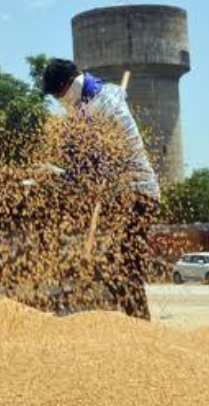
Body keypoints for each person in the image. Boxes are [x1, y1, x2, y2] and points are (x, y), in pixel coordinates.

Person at [42, 58, 159, 320]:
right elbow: (118, 91)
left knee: (125, 267)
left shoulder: (93, 110)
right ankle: (132, 321)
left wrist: (60, 173)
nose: (60, 100)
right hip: (123, 194)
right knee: (116, 265)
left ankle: (140, 327)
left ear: (68, 84)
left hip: (137, 193)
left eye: (59, 94)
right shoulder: (109, 91)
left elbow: (88, 168)